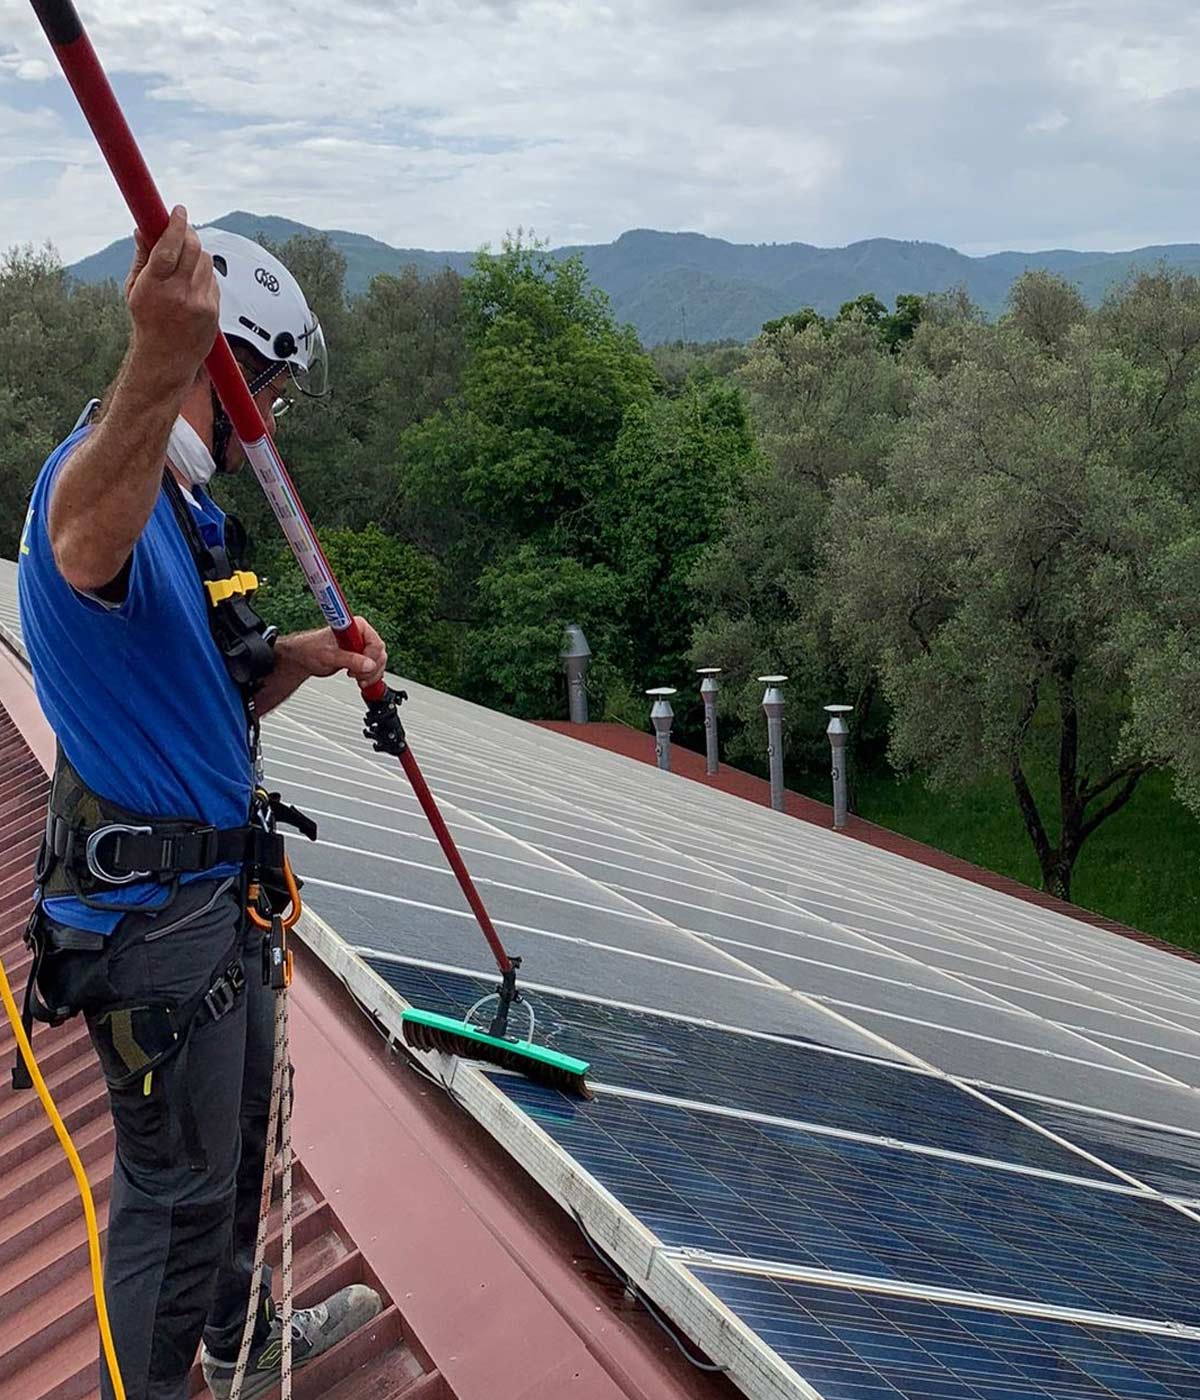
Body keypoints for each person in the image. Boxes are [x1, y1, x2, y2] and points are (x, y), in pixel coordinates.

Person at [16, 208, 383, 1400]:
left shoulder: (185, 512)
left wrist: (306, 656)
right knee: (171, 1194)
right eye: (262, 386)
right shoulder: (105, 490)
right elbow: (78, 541)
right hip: (155, 927)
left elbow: (213, 701)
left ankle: (246, 1333)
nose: (267, 420)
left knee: (231, 1165)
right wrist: (160, 358)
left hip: (214, 903)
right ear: (225, 370)